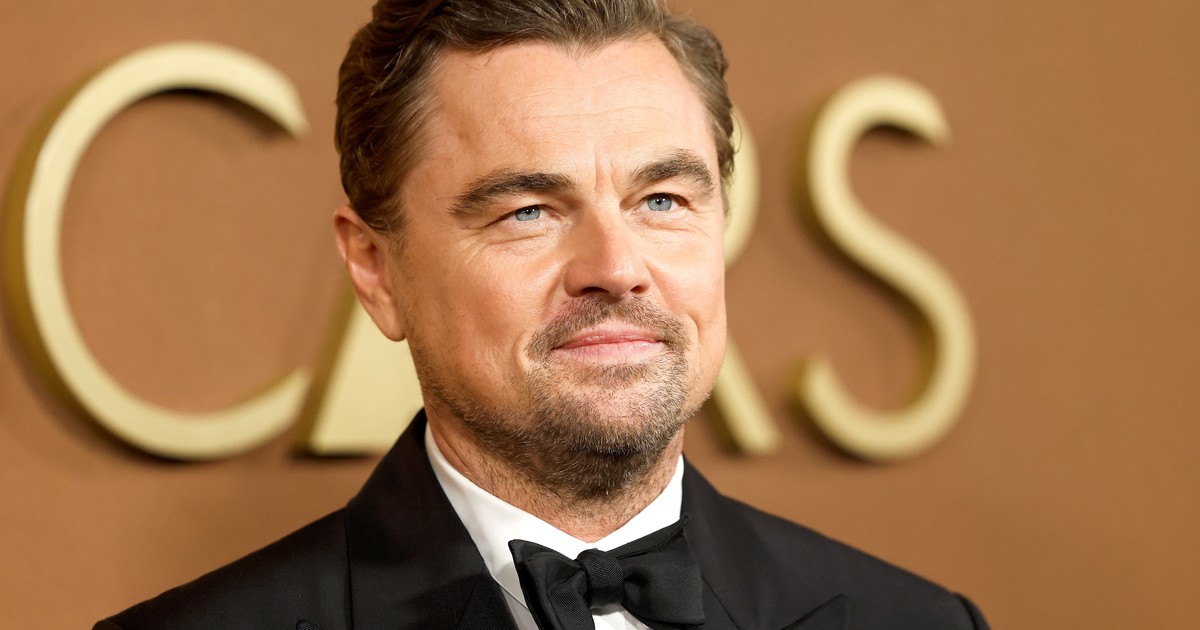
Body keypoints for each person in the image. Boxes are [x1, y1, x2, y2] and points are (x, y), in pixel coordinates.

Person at [96, 1, 989, 628]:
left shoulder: (917, 622)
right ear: (376, 270)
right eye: (528, 211)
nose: (617, 269)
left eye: (663, 200)